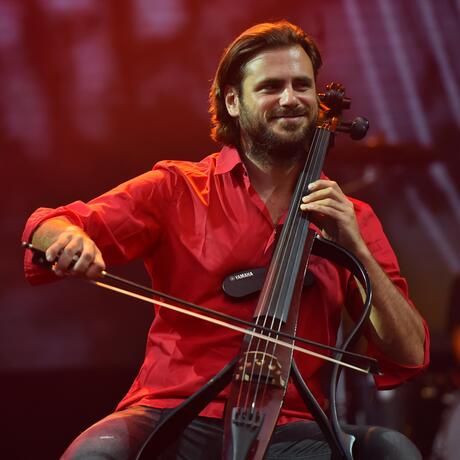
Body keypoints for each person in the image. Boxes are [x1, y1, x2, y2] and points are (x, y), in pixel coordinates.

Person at [23, 20, 429, 459]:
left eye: (302, 85)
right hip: (171, 411)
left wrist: (355, 250)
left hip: (290, 427)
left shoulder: (350, 217)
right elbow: (51, 225)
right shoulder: (177, 188)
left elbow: (409, 352)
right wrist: (69, 240)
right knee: (92, 454)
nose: (290, 99)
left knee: (393, 450)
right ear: (233, 101)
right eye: (270, 87)